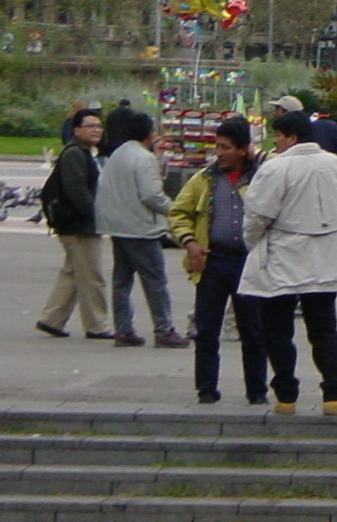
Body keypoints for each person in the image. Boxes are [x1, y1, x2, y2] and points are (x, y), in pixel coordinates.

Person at [241, 109, 337, 415]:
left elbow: (257, 213)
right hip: (325, 255)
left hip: (283, 253)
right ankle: (335, 392)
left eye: (277, 136)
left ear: (291, 138)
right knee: (324, 328)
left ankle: (286, 395)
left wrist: (252, 242)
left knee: (278, 330)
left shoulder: (276, 167)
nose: (275, 142)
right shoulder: (333, 163)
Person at [169, 116, 269, 405]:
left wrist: (259, 155)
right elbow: (178, 213)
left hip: (249, 264)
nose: (220, 154)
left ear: (243, 150)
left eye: (226, 147)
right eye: (217, 147)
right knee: (207, 330)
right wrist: (190, 242)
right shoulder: (204, 179)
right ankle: (207, 390)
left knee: (253, 333)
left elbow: (282, 162)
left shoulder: (262, 177)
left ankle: (257, 391)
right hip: (212, 263)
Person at [94, 107, 186, 349]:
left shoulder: (118, 154)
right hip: (140, 227)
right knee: (155, 281)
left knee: (121, 281)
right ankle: (164, 329)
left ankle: (123, 329)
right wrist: (174, 210)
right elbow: (151, 195)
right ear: (149, 134)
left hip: (117, 225)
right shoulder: (144, 158)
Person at [35, 109, 113, 340]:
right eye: (90, 126)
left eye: (99, 126)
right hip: (79, 226)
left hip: (74, 225)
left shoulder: (83, 153)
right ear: (76, 130)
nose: (96, 130)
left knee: (72, 273)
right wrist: (95, 216)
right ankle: (96, 325)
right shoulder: (75, 154)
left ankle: (52, 319)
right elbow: (77, 190)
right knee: (92, 276)